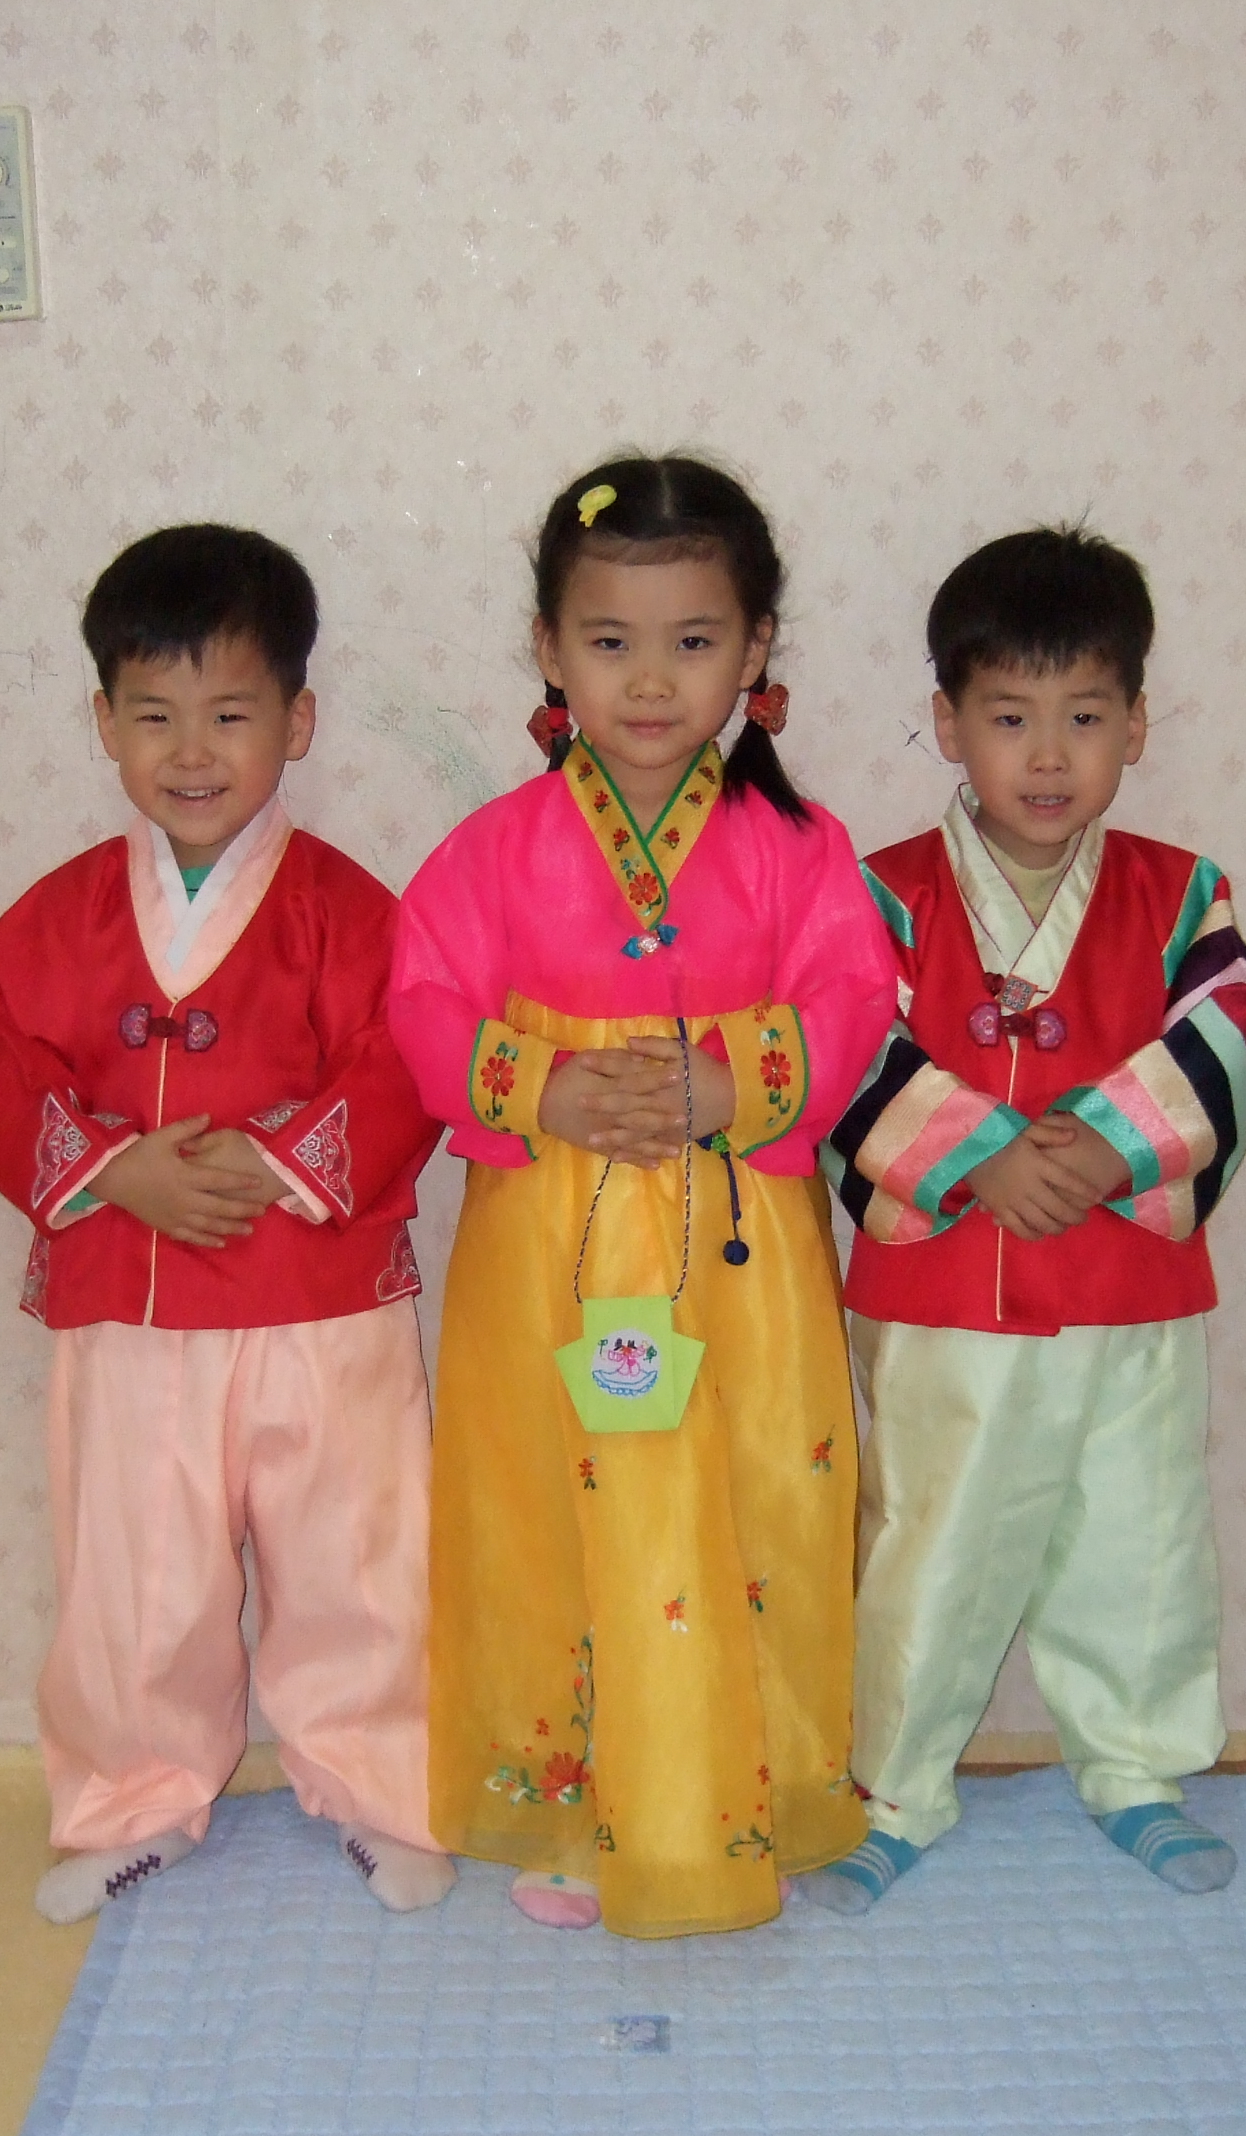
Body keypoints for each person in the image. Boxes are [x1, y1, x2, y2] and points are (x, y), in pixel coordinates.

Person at [387, 455, 897, 1938]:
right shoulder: (493, 850)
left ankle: (745, 1793)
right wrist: (537, 1086)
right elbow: (421, 1001)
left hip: (733, 1252)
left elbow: (856, 999)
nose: (654, 681)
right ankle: (579, 1802)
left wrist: (733, 1084)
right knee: (550, 1508)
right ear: (549, 651)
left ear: (756, 652)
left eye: (695, 641)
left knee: (751, 1502)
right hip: (550, 1244)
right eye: (610, 642)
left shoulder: (800, 850)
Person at [0, 524, 453, 1923]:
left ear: (299, 721)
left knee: (356, 1561)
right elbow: (7, 1068)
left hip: (321, 1306)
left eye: (231, 714)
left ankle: (383, 1791)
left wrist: (276, 1163)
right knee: (133, 1574)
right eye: (154, 715)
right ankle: (133, 1799)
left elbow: (404, 1059)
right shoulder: (44, 928)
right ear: (102, 722)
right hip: (129, 1309)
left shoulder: (356, 915)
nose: (192, 751)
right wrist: (119, 1170)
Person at [800, 525, 1246, 1913]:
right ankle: (894, 1785)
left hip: (1129, 1290)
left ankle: (1137, 1769)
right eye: (1010, 718)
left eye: (1085, 717)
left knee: (1140, 1537)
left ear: (1138, 725)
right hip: (948, 1294)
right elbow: (837, 1040)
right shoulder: (882, 890)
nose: (1049, 755)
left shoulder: (1183, 891)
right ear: (948, 723)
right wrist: (981, 1158)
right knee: (933, 1542)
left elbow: (1231, 1028)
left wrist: (1112, 1148)